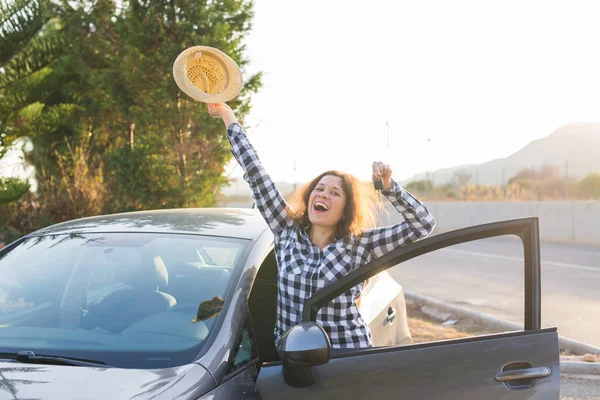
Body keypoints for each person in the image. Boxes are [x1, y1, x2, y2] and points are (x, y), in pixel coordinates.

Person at [207, 103, 436, 349]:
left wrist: (390, 188)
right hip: (292, 358)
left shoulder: (360, 245)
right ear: (309, 198)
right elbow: (256, 173)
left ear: (346, 209)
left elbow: (422, 224)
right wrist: (228, 117)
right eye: (319, 189)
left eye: (335, 193)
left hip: (346, 357)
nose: (323, 195)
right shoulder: (286, 231)